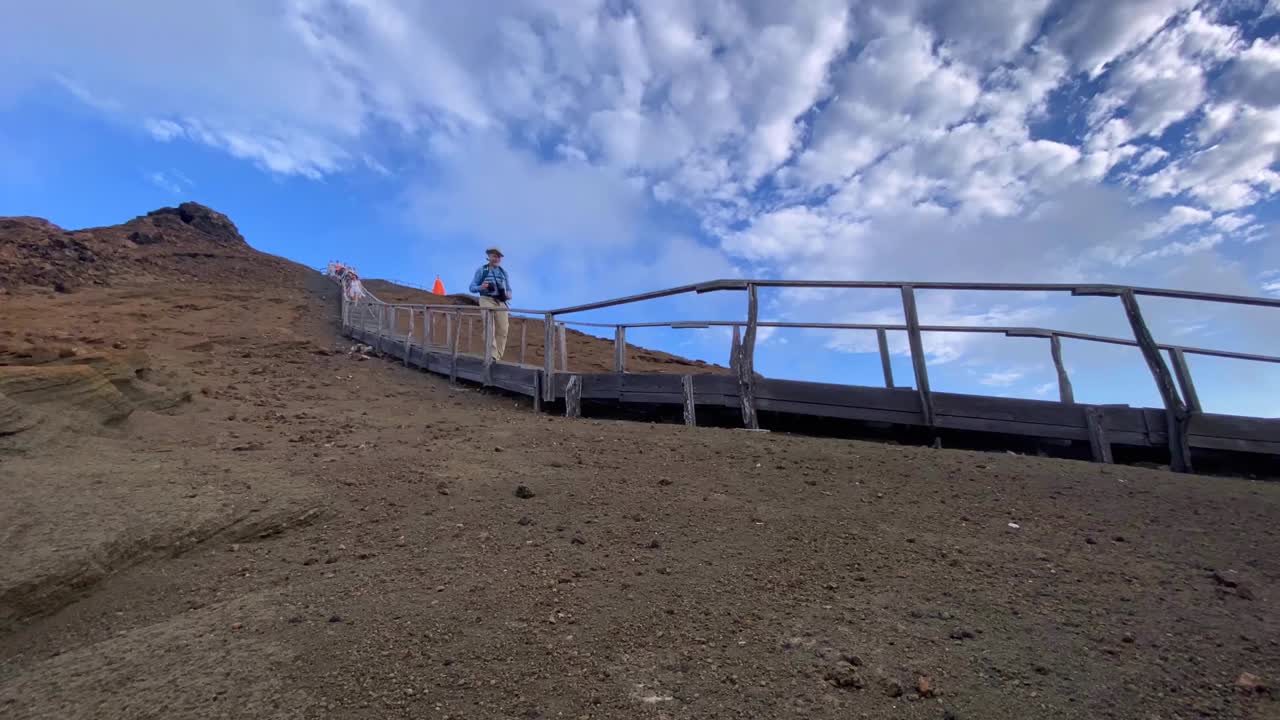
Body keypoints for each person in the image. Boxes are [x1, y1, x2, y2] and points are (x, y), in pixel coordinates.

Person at [469, 247, 512, 362]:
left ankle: (497, 356)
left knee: (504, 328)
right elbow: (472, 287)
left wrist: (508, 294)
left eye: (498, 256)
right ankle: (492, 355)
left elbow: (509, 289)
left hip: (501, 301)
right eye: (494, 256)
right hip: (486, 299)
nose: (497, 258)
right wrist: (481, 287)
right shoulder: (482, 270)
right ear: (489, 257)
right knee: (489, 326)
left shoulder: (503, 272)